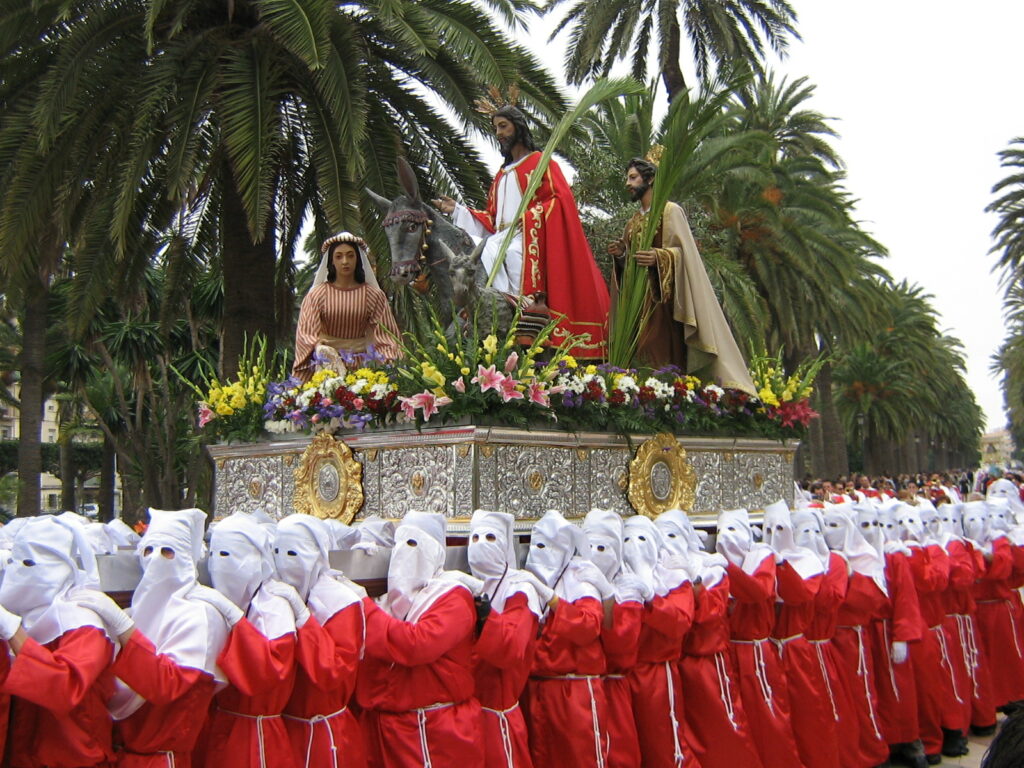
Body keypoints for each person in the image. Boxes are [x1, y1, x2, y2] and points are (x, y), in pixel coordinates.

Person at [433, 104, 610, 358]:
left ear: (518, 126)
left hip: (528, 236)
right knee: (476, 251)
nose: (498, 133)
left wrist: (529, 218)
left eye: (503, 126)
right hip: (500, 237)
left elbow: (560, 201)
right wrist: (459, 210)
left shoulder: (541, 163)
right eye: (495, 128)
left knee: (512, 255)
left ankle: (522, 313)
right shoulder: (501, 175)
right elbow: (492, 219)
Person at [609, 156, 755, 393]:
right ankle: (641, 395)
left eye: (633, 177)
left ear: (651, 178)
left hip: (662, 302)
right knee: (639, 353)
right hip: (637, 305)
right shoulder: (633, 223)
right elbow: (628, 266)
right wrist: (620, 256)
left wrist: (660, 257)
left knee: (657, 350)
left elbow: (684, 255)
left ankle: (663, 395)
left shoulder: (670, 211)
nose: (628, 183)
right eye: (628, 178)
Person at [104, 507, 237, 767]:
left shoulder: (199, 615)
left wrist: (123, 629)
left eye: (168, 552)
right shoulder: (135, 610)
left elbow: (169, 686)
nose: (155, 560)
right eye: (148, 550)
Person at [358, 511, 483, 767]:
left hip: (436, 731)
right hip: (391, 729)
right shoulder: (390, 602)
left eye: (414, 544)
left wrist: (364, 608)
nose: (406, 553)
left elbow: (417, 645)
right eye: (401, 544)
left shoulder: (453, 597)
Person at [0, 515, 118, 767]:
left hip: (71, 757)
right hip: (24, 753)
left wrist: (12, 631)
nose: (17, 570)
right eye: (13, 562)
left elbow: (65, 687)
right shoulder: (20, 614)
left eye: (29, 563)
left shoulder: (82, 623)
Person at [655, 509, 764, 768]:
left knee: (720, 728)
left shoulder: (710, 566)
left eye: (672, 535)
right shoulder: (660, 567)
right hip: (676, 667)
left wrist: (694, 587)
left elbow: (710, 613)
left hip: (708, 665)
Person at [198, 512, 305, 768]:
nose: (217, 564)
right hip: (221, 724)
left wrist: (236, 620)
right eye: (213, 554)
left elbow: (271, 672)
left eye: (227, 555)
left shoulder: (273, 606)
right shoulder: (213, 602)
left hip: (256, 734)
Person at [716, 508, 806, 768]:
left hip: (756, 655)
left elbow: (758, 591)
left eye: (732, 530)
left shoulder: (761, 556)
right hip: (728, 655)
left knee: (769, 718)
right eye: (721, 531)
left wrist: (729, 569)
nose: (725, 538)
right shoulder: (715, 560)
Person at [274, 513, 367, 768]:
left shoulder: (341, 603)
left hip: (325, 735)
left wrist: (304, 619)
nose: (283, 562)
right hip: (282, 730)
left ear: (316, 554)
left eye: (293, 553)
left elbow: (335, 672)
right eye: (276, 551)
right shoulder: (273, 597)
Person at [523, 509, 611, 768]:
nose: (541, 552)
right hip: (539, 691)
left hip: (575, 694)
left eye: (547, 546)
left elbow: (588, 626)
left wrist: (553, 600)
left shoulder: (580, 579)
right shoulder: (530, 577)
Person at [467, 509, 546, 768]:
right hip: (466, 717)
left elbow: (511, 647)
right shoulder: (467, 583)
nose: (480, 545)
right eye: (474, 538)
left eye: (490, 538)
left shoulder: (520, 590)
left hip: (496, 716)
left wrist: (486, 616)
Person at [621, 514, 701, 768]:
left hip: (655, 675)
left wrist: (651, 600)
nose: (634, 546)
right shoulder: (618, 575)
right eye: (627, 540)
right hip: (620, 679)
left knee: (663, 744)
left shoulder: (673, 579)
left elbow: (680, 621)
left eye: (642, 539)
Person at [582, 508, 645, 768]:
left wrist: (607, 596)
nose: (596, 554)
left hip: (614, 689)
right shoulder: (578, 578)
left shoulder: (628, 587)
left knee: (620, 755)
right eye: (590, 546)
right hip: (584, 693)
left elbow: (621, 643)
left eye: (604, 547)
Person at [293, 231, 401, 380]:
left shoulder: (373, 295)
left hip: (364, 371)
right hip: (327, 370)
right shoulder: (317, 295)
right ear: (331, 261)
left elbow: (387, 336)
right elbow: (306, 335)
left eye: (350, 255)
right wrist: (322, 347)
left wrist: (388, 371)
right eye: (339, 256)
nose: (345, 261)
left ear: (358, 259)